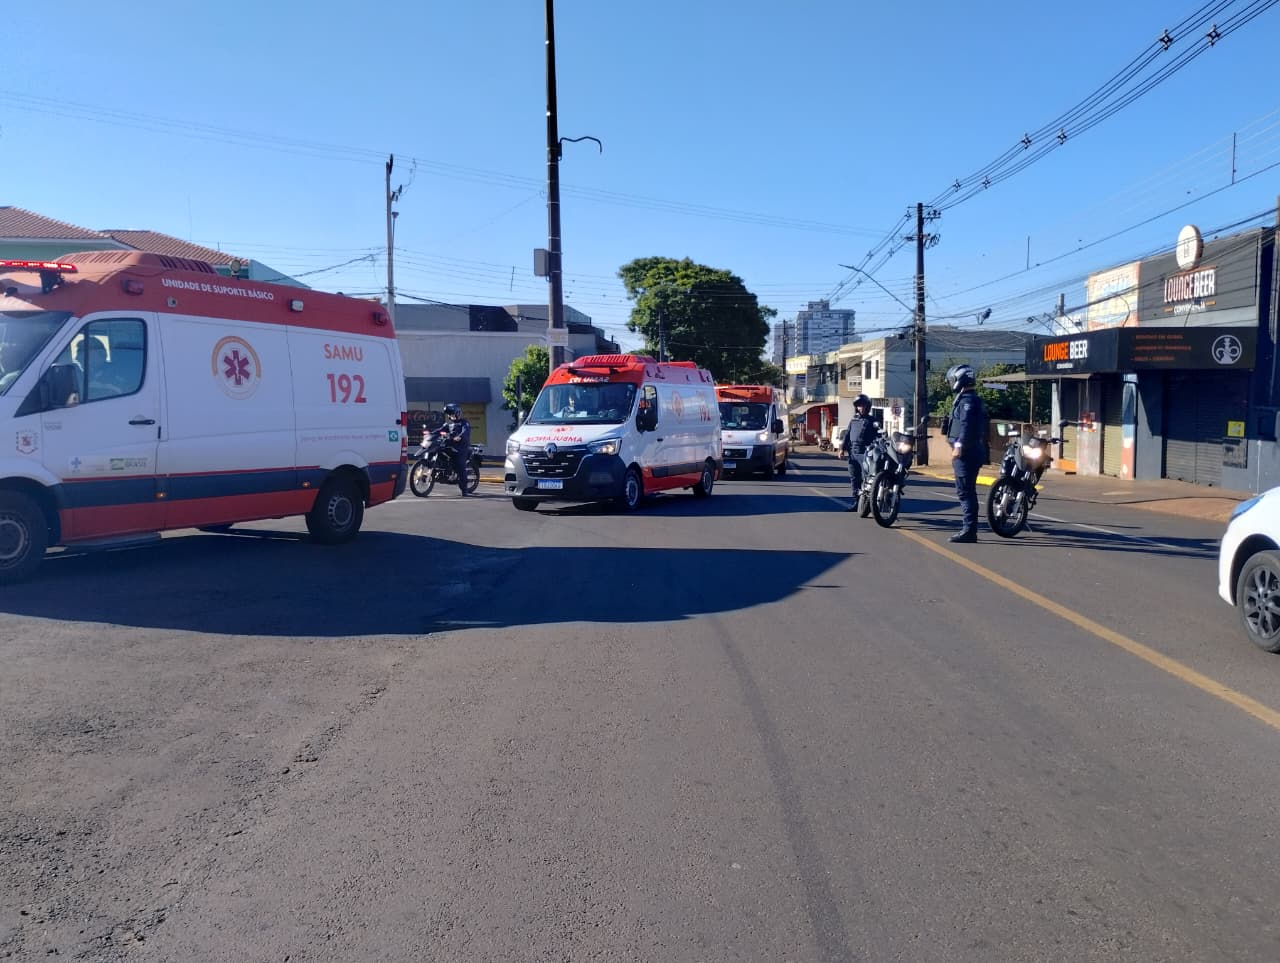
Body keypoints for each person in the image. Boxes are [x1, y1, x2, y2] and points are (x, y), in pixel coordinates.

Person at [944, 363, 988, 543]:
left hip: (967, 453)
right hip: (970, 452)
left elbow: (966, 426)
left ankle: (969, 530)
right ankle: (969, 528)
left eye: (952, 380)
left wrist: (959, 445)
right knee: (966, 491)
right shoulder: (967, 399)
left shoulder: (968, 402)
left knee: (966, 492)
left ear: (959, 380)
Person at [839, 394, 879, 512]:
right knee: (854, 479)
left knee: (866, 479)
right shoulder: (854, 419)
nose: (860, 408)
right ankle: (857, 502)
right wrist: (841, 448)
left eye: (862, 405)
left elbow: (880, 435)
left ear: (868, 406)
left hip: (866, 454)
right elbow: (847, 435)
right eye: (858, 406)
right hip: (853, 453)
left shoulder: (872, 421)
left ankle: (869, 504)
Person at [441, 403, 472, 496]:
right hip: (450, 446)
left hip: (461, 448)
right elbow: (440, 430)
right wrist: (430, 434)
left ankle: (464, 489)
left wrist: (459, 437)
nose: (451, 416)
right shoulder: (448, 425)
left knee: (460, 465)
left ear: (457, 413)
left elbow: (465, 432)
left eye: (453, 414)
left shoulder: (464, 423)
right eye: (450, 414)